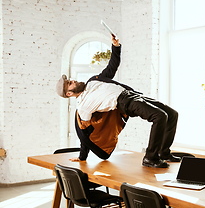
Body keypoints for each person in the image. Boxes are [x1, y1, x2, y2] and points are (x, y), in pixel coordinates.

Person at [56, 35, 180, 168]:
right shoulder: (83, 107)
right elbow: (84, 135)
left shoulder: (93, 81)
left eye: (70, 80)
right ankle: (150, 158)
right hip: (124, 102)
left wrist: (115, 47)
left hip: (133, 95)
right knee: (160, 116)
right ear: (69, 93)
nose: (73, 80)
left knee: (172, 114)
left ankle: (164, 153)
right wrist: (82, 156)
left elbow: (112, 67)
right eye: (70, 83)